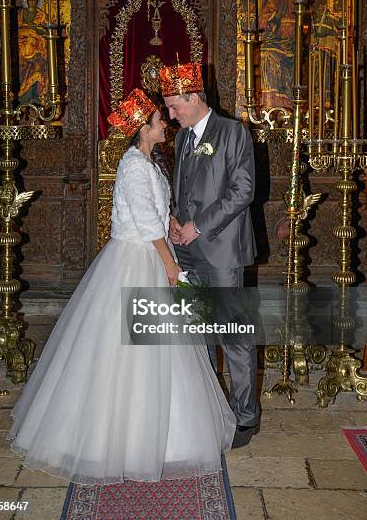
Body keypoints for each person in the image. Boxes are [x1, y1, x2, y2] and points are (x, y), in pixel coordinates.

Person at [7, 87, 236, 485]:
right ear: (143, 130)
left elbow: (158, 214)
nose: (165, 122)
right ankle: (109, 441)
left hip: (154, 254)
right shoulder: (132, 165)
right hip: (136, 262)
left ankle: (167, 438)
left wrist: (177, 231)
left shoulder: (150, 162)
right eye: (158, 119)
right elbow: (145, 224)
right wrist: (170, 267)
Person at [160, 61, 259, 448]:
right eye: (167, 108)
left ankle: (246, 417)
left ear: (194, 97)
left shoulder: (233, 132)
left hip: (220, 252)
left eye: (173, 106)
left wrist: (197, 226)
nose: (170, 115)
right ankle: (209, 409)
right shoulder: (183, 139)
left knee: (232, 336)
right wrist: (173, 218)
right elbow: (182, 189)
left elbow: (242, 191)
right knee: (197, 335)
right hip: (188, 254)